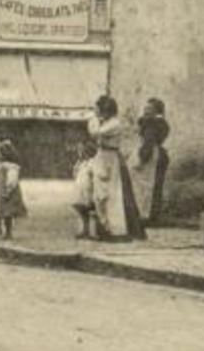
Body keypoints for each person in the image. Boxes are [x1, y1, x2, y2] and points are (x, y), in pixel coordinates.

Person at [87, 95, 146, 241]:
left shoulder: (114, 124)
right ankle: (104, 228)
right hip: (102, 156)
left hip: (110, 158)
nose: (98, 112)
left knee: (112, 195)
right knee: (100, 194)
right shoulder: (106, 122)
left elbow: (95, 133)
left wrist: (94, 118)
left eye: (99, 109)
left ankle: (115, 230)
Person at [132, 97, 171, 225]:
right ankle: (153, 216)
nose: (145, 111)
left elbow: (149, 142)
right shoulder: (161, 123)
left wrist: (142, 159)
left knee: (146, 186)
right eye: (145, 108)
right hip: (159, 154)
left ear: (156, 111)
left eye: (149, 108)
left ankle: (146, 216)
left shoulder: (152, 124)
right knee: (155, 187)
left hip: (151, 155)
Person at [0, 141, 28, 240]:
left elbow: (12, 180)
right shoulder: (1, 166)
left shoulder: (11, 167)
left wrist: (8, 190)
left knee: (7, 213)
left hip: (7, 193)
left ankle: (8, 232)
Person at [71, 134, 99, 239]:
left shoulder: (92, 162)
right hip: (80, 189)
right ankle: (84, 230)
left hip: (88, 190)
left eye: (82, 151)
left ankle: (91, 231)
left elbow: (93, 174)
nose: (80, 153)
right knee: (81, 210)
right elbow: (75, 174)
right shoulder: (80, 163)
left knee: (90, 211)